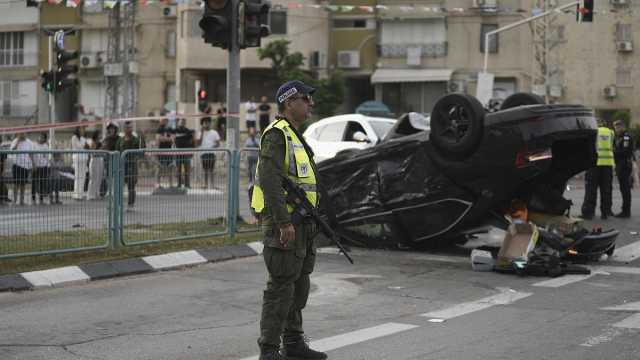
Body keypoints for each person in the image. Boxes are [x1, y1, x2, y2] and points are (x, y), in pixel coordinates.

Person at [250, 80, 326, 360]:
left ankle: (293, 343)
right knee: (281, 287)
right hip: (286, 224)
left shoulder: (295, 135)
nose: (311, 104)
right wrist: (283, 222)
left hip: (303, 224)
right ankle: (269, 350)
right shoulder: (277, 134)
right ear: (289, 102)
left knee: (299, 285)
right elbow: (269, 180)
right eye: (306, 99)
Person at [582, 120, 615, 220]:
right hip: (608, 164)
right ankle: (605, 212)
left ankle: (588, 213)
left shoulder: (593, 132)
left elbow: (588, 147)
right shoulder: (611, 132)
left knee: (591, 189)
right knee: (606, 190)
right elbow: (612, 145)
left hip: (594, 163)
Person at [116, 122, 142, 211]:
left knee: (131, 187)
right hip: (122, 166)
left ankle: (131, 205)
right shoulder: (120, 140)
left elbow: (140, 151)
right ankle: (119, 204)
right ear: (124, 129)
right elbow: (117, 151)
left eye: (130, 128)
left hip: (132, 166)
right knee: (120, 186)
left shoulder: (135, 139)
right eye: (127, 128)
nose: (129, 129)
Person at [613, 120, 634, 218]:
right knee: (623, 188)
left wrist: (613, 153)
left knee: (625, 189)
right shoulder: (620, 137)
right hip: (621, 165)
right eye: (615, 128)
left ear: (622, 127)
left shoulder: (626, 137)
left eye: (617, 128)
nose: (616, 130)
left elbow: (625, 151)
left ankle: (626, 212)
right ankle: (625, 210)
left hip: (625, 165)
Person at [10, 133, 34, 206]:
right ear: (18, 134)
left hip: (25, 166)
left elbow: (31, 154)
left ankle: (21, 201)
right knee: (16, 184)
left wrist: (33, 164)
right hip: (17, 165)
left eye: (24, 133)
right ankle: (14, 200)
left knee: (23, 184)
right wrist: (18, 141)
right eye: (21, 133)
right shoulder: (15, 141)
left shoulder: (29, 142)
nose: (23, 135)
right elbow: (12, 150)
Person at [197, 117, 220, 189]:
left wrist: (212, 146)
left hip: (211, 153)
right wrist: (202, 133)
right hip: (203, 153)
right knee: (205, 169)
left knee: (212, 169)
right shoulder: (200, 132)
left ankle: (212, 184)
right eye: (205, 123)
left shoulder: (214, 132)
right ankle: (205, 184)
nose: (206, 124)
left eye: (208, 122)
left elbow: (218, 143)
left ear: (210, 123)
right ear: (202, 124)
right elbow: (198, 143)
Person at [174, 118, 195, 189]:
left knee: (187, 169)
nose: (182, 123)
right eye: (181, 122)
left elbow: (192, 142)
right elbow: (173, 140)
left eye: (183, 122)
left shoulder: (188, 131)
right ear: (178, 123)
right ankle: (179, 184)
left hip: (186, 152)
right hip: (177, 153)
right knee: (178, 169)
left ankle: (187, 184)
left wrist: (191, 152)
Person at [31, 133, 51, 205]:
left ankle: (41, 199)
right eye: (40, 137)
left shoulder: (46, 146)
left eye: (43, 138)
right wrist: (33, 165)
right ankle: (33, 198)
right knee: (34, 182)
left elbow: (47, 157)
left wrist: (46, 165)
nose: (41, 138)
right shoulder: (34, 144)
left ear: (45, 139)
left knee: (42, 183)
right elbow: (31, 155)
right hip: (36, 166)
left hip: (43, 166)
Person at [155, 116, 175, 188]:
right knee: (159, 167)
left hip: (169, 151)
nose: (164, 121)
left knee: (170, 167)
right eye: (163, 120)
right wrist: (168, 139)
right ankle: (158, 183)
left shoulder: (170, 129)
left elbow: (173, 139)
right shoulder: (159, 129)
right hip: (161, 151)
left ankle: (171, 184)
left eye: (166, 120)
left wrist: (165, 138)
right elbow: (158, 139)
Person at [71, 126, 89, 200]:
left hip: (84, 159)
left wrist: (86, 146)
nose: (82, 131)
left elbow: (87, 147)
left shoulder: (83, 138)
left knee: (83, 176)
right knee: (78, 176)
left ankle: (81, 194)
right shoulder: (74, 137)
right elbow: (80, 146)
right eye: (81, 129)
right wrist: (85, 146)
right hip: (78, 158)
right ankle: (76, 194)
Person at [87, 130, 104, 200]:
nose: (100, 136)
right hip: (94, 160)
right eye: (99, 134)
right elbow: (93, 153)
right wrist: (99, 151)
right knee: (93, 178)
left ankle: (97, 193)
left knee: (99, 178)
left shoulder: (100, 143)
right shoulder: (93, 143)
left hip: (100, 160)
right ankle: (90, 195)